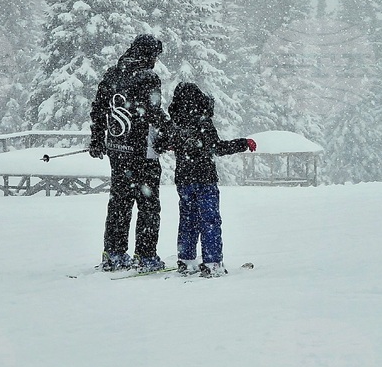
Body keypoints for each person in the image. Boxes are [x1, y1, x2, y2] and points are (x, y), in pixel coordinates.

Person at [154, 82, 256, 277]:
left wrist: (173, 144)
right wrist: (243, 143)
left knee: (188, 221)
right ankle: (212, 262)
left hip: (184, 180)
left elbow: (161, 143)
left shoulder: (175, 123)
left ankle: (186, 260)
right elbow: (218, 147)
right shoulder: (203, 122)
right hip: (204, 178)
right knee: (209, 221)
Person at [89, 34, 169, 272]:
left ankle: (113, 253)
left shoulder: (112, 74)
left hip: (118, 149)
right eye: (155, 56)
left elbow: (98, 109)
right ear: (149, 54)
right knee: (148, 205)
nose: (155, 61)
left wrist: (97, 138)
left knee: (119, 203)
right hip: (143, 151)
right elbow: (153, 112)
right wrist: (172, 131)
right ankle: (146, 256)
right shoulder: (148, 77)